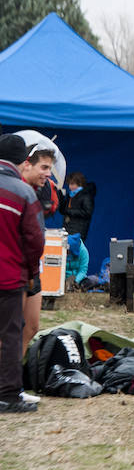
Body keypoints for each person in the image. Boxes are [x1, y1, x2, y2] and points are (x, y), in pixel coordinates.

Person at [0, 134, 44, 413]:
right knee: (11, 334)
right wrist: (30, 272)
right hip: (9, 277)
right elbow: (34, 240)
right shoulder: (23, 192)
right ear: (23, 161)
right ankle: (7, 395)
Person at [18, 146, 55, 364]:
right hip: (16, 268)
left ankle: (12, 382)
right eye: (44, 167)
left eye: (50, 168)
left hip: (34, 267)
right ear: (27, 164)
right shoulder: (15, 190)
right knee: (9, 330)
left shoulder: (37, 190)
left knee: (31, 327)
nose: (48, 173)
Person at [61, 171, 96, 241]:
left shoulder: (86, 196)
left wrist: (70, 211)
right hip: (67, 228)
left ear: (79, 184)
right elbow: (63, 211)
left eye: (72, 184)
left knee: (75, 250)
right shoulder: (70, 195)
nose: (70, 187)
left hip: (78, 230)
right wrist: (61, 198)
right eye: (69, 184)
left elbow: (87, 213)